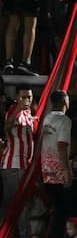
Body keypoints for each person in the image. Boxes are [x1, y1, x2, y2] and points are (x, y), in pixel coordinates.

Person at [0, 85, 36, 205]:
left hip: (23, 165)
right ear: (17, 98)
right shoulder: (13, 111)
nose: (26, 100)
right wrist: (17, 109)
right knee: (15, 204)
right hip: (13, 165)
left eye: (29, 97)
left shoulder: (28, 113)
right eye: (23, 97)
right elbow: (6, 128)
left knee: (18, 203)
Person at [41, 90, 73, 228]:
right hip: (59, 171)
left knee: (54, 206)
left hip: (46, 170)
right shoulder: (64, 120)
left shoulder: (47, 118)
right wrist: (67, 171)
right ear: (64, 102)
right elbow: (62, 146)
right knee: (63, 208)